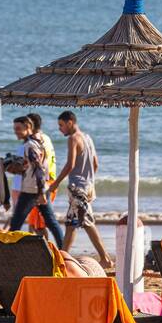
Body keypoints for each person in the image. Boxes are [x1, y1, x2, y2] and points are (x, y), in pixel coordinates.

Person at [52, 111, 112, 268]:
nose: (60, 129)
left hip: (77, 187)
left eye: (61, 125)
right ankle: (62, 257)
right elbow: (96, 164)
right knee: (71, 224)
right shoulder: (87, 138)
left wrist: (56, 183)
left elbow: (70, 165)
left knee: (86, 222)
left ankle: (105, 258)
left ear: (70, 122)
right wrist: (88, 181)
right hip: (88, 186)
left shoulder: (73, 139)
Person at [8, 114, 65, 246]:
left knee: (16, 223)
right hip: (40, 188)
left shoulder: (30, 145)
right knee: (51, 222)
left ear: (28, 127)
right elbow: (36, 167)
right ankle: (63, 250)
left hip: (32, 191)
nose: (15, 131)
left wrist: (40, 193)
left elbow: (39, 169)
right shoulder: (39, 142)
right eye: (14, 128)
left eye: (18, 128)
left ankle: (7, 252)